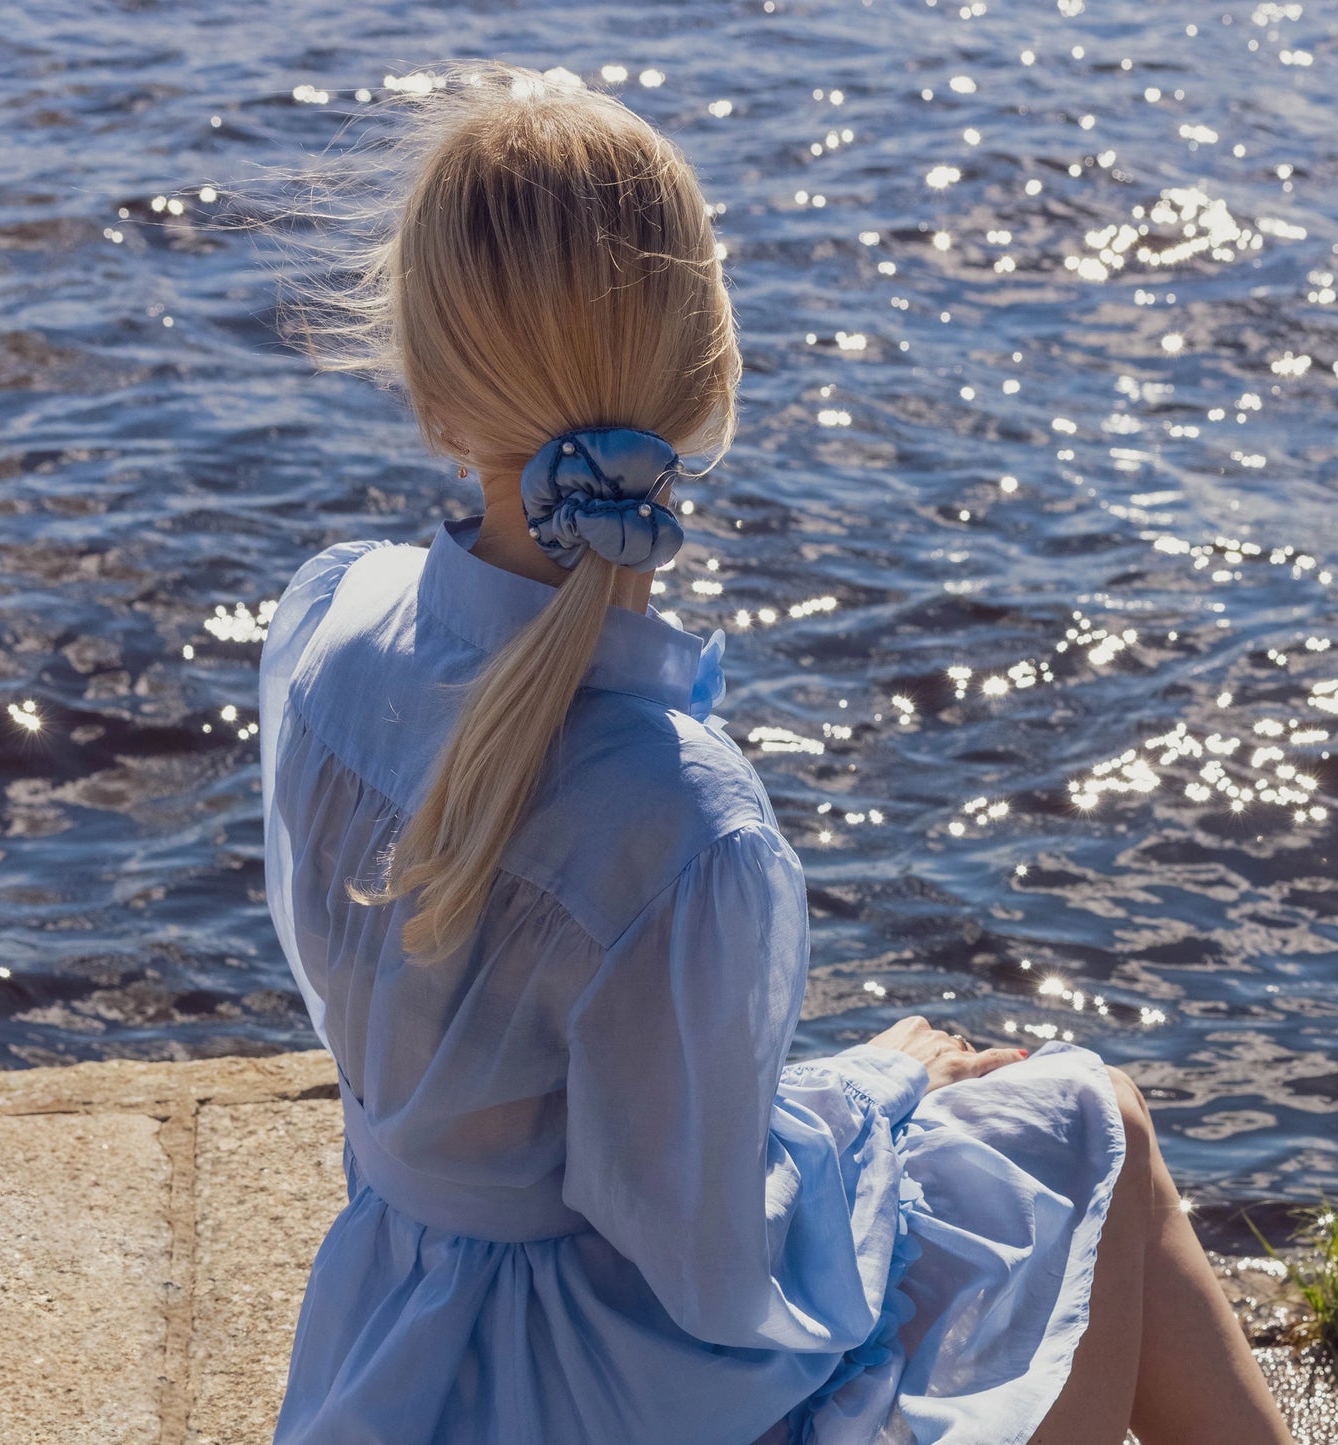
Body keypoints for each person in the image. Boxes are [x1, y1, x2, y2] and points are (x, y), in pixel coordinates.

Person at [257, 60, 1294, 1445]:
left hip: (407, 1350)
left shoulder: (331, 630)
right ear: (705, 388)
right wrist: (870, 1086)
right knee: (1094, 1127)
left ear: (434, 397)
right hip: (604, 1393)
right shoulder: (684, 822)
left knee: (1041, 1135)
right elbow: (713, 1277)